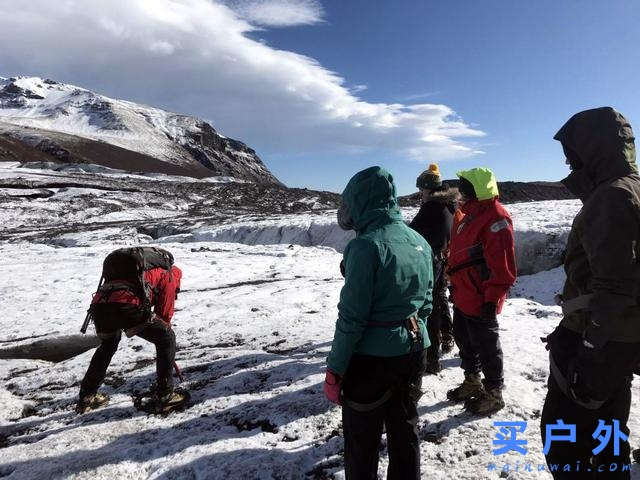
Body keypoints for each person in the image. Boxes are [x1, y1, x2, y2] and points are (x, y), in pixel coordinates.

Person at [541, 107, 640, 478]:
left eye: (573, 153)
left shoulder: (611, 197)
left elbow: (613, 283)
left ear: (592, 150)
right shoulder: (631, 189)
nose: (569, 162)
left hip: (599, 337)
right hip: (624, 337)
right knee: (609, 428)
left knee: (562, 437)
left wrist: (589, 350)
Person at [324, 166, 433, 480]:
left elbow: (351, 319)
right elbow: (426, 305)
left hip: (370, 364)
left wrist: (335, 369)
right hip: (413, 353)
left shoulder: (365, 246)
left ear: (360, 202)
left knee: (362, 442)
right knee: (406, 434)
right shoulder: (420, 242)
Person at [77, 247, 185, 414]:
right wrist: (164, 326)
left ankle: (87, 397)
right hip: (127, 305)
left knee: (108, 345)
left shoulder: (134, 268)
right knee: (166, 338)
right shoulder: (169, 273)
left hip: (100, 306)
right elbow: (165, 312)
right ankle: (165, 395)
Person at [446, 167, 516, 415]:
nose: (460, 189)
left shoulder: (496, 218)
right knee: (465, 341)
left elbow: (503, 265)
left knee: (487, 346)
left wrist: (492, 298)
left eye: (464, 185)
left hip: (480, 297)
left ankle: (494, 393)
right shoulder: (469, 215)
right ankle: (472, 380)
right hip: (463, 294)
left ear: (475, 188)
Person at [409, 163, 457, 374]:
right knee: (439, 298)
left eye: (422, 189)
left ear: (429, 188)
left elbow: (412, 232)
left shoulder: (431, 207)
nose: (420, 193)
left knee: (429, 306)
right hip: (444, 257)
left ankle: (431, 356)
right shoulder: (448, 204)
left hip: (432, 261)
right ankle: (448, 336)